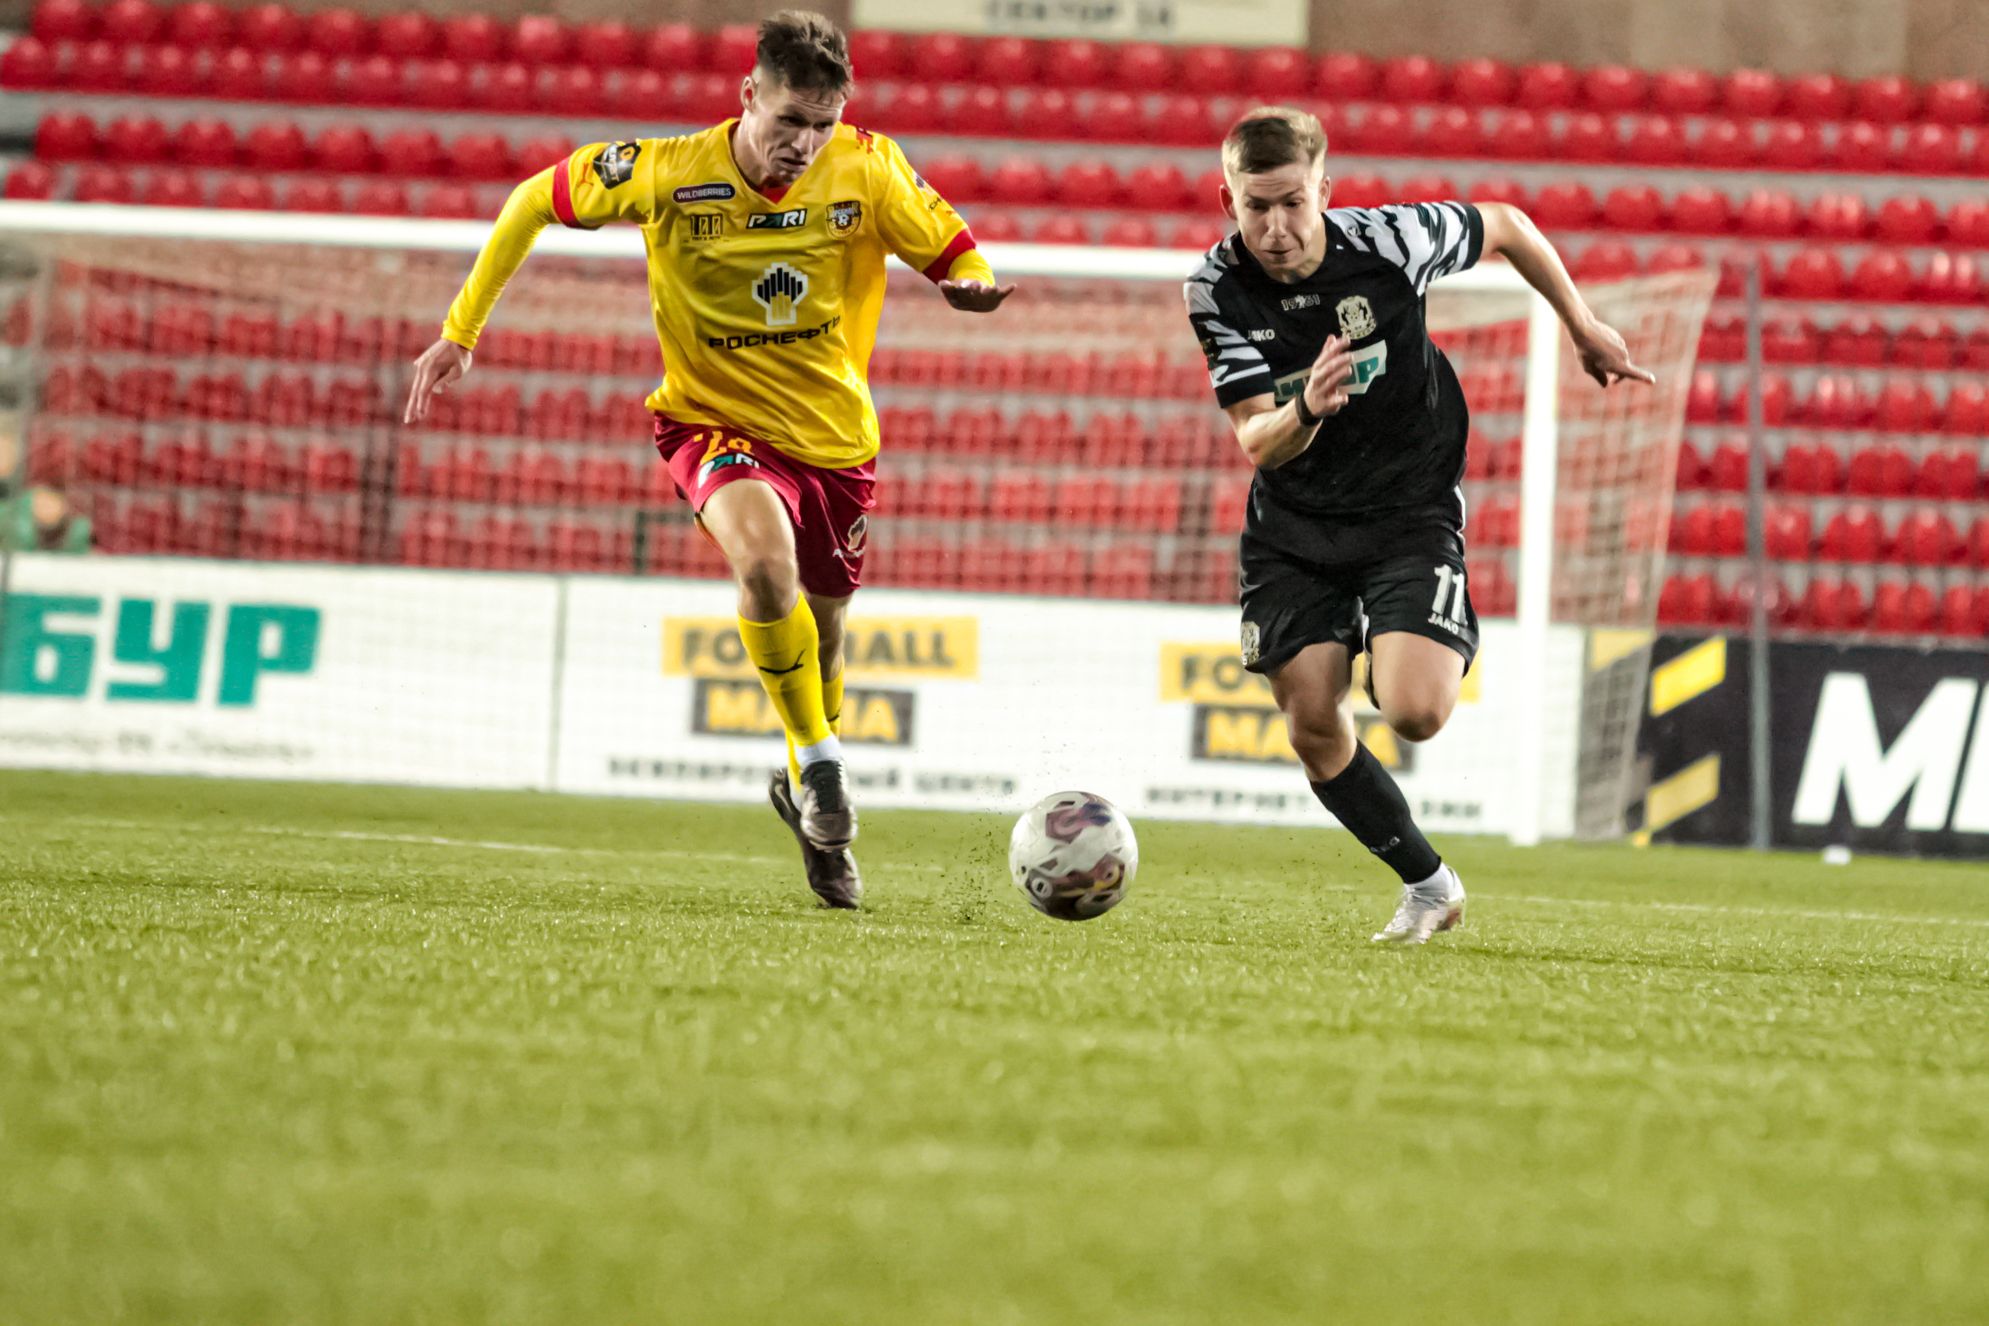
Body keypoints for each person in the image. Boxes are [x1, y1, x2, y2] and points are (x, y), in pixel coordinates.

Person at [403, 11, 1012, 910]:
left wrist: (969, 286)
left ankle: (803, 786)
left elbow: (954, 249)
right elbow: (532, 199)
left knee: (826, 636)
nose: (805, 143)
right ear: (747, 96)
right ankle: (822, 765)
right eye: (789, 120)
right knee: (764, 568)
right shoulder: (668, 171)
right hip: (709, 422)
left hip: (834, 441)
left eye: (823, 124)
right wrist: (461, 331)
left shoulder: (869, 167)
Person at [1184, 107, 1652, 945]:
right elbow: (1255, 438)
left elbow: (1507, 225)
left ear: (1324, 191)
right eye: (1257, 207)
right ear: (1228, 202)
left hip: (1408, 511)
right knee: (1311, 724)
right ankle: (1429, 886)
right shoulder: (1215, 289)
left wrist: (1580, 324)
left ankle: (1404, 629)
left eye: (1293, 203)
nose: (1277, 227)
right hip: (1295, 525)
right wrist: (1306, 407)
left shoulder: (1393, 243)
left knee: (1415, 712)